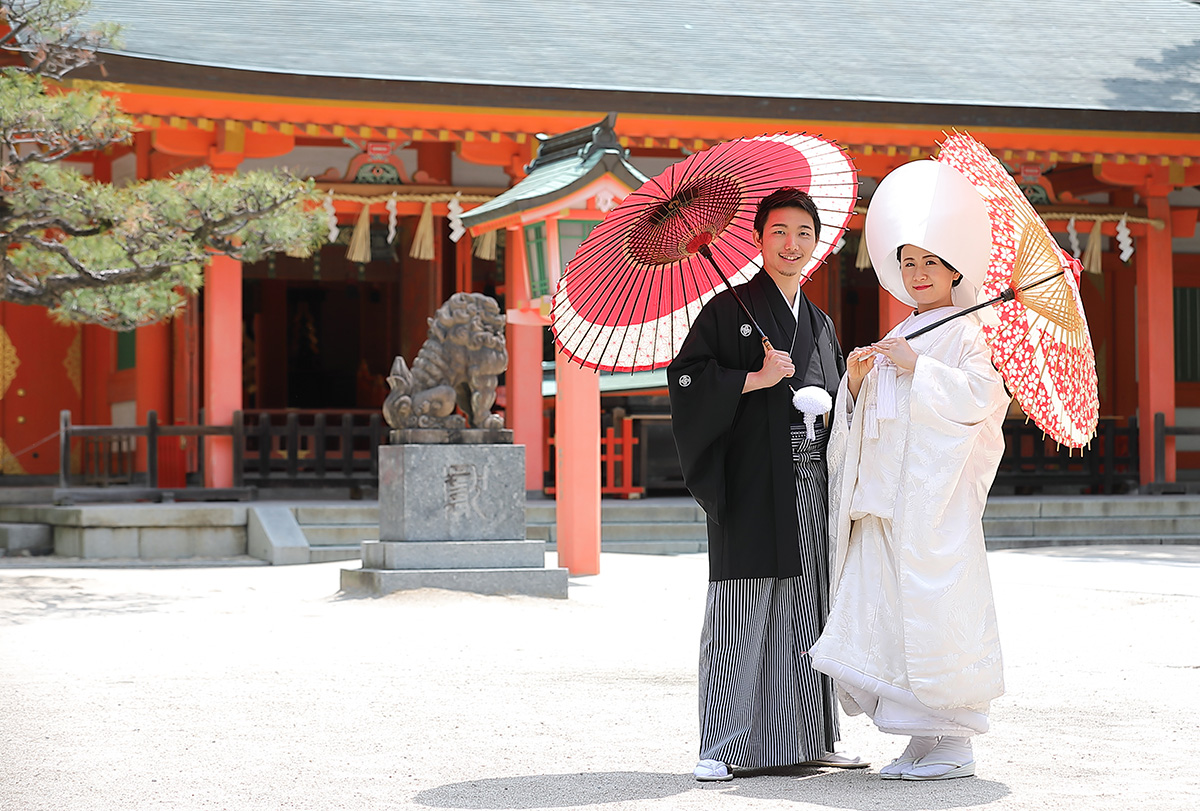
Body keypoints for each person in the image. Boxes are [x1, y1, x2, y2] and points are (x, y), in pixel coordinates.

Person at [808, 160, 1011, 781]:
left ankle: (953, 744)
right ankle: (919, 739)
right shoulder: (909, 328)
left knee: (929, 608)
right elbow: (874, 416)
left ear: (955, 269)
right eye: (909, 266)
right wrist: (861, 382)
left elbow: (983, 400)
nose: (919, 276)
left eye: (930, 264)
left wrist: (921, 369)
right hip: (884, 497)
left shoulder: (970, 333)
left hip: (931, 503)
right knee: (883, 613)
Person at [668, 187, 861, 782]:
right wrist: (751, 379)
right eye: (779, 231)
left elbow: (837, 410)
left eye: (804, 233)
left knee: (809, 612)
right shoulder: (727, 312)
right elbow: (685, 381)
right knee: (742, 611)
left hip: (811, 485)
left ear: (816, 242)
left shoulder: (821, 325)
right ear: (757, 238)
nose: (791, 244)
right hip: (752, 482)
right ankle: (721, 745)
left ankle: (804, 741)